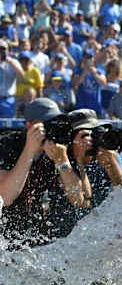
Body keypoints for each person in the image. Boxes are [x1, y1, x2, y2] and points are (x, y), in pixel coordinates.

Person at [0, 98, 91, 248]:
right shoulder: (8, 144)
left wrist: (62, 160)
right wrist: (29, 150)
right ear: (29, 125)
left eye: (55, 123)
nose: (52, 130)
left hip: (36, 238)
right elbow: (5, 197)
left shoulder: (59, 148)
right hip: (5, 237)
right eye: (48, 124)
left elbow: (80, 201)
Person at [0, 39, 25, 117]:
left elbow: (22, 76)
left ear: (8, 50)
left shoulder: (14, 62)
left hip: (8, 100)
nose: (1, 52)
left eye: (3, 49)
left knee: (7, 125)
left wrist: (11, 62)